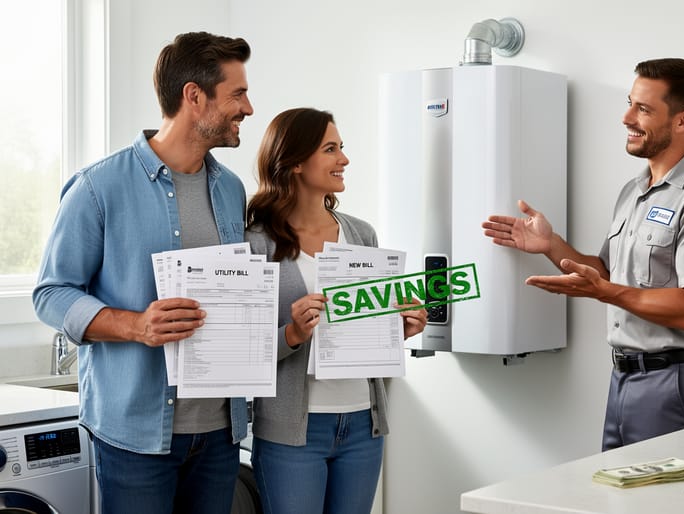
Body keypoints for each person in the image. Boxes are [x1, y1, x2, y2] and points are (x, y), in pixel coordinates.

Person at [32, 32, 254, 513]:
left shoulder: (232, 189)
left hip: (220, 434)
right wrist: (136, 325)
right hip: (134, 437)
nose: (248, 108)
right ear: (194, 97)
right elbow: (51, 293)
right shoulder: (97, 187)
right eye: (237, 94)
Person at [483, 58, 684, 451]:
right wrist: (552, 245)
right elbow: (607, 274)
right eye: (630, 103)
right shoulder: (634, 190)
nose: (627, 117)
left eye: (643, 109)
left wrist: (605, 292)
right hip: (624, 381)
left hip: (676, 383)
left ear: (683, 120)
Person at [245, 107, 427, 514]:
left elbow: (369, 331)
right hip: (293, 433)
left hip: (363, 424)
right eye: (331, 149)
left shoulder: (362, 234)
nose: (344, 159)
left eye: (341, 148)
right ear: (293, 162)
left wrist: (400, 329)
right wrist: (292, 334)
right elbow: (241, 349)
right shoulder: (255, 243)